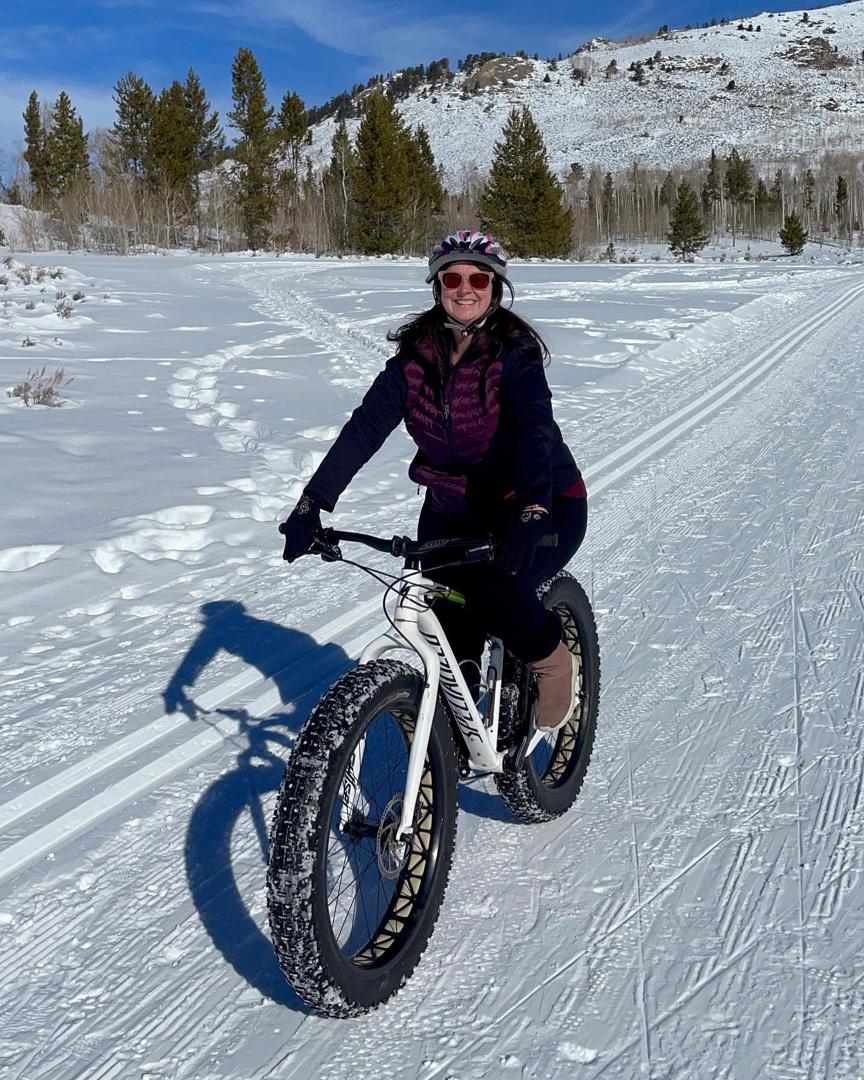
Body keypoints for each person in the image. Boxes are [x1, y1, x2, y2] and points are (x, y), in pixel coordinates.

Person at [279, 230, 587, 731]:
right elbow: (364, 428)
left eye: (478, 278)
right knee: (444, 605)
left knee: (495, 596)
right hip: (452, 503)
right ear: (436, 285)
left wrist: (533, 509)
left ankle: (554, 660)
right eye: (452, 277)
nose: (465, 288)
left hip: (539, 499)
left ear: (495, 287)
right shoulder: (414, 359)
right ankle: (451, 734)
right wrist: (312, 502)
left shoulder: (514, 353)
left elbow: (535, 430)